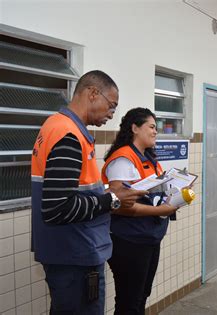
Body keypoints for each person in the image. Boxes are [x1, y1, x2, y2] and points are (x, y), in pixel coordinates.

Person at [31, 70, 147, 314]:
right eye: (111, 106)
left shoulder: (57, 125)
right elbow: (57, 208)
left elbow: (69, 191)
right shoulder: (69, 136)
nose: (112, 114)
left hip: (68, 253)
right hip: (75, 257)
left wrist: (106, 192)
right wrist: (114, 199)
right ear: (93, 93)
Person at [101, 108, 179, 314]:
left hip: (149, 238)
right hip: (129, 241)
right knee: (129, 302)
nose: (155, 132)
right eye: (151, 127)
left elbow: (157, 193)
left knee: (142, 295)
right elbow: (118, 206)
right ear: (135, 128)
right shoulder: (123, 159)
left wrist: (178, 194)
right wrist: (162, 210)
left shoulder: (149, 158)